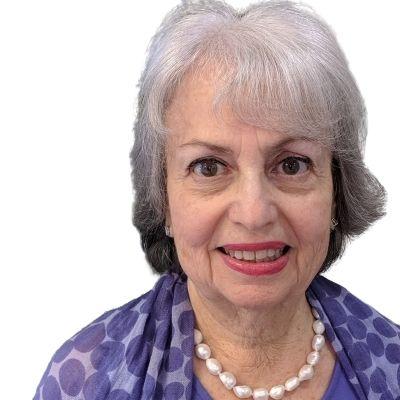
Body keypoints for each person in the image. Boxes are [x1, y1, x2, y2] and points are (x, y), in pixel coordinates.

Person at [34, 1, 400, 399]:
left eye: (292, 165)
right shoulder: (86, 379)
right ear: (164, 198)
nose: (254, 213)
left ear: (336, 191)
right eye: (209, 167)